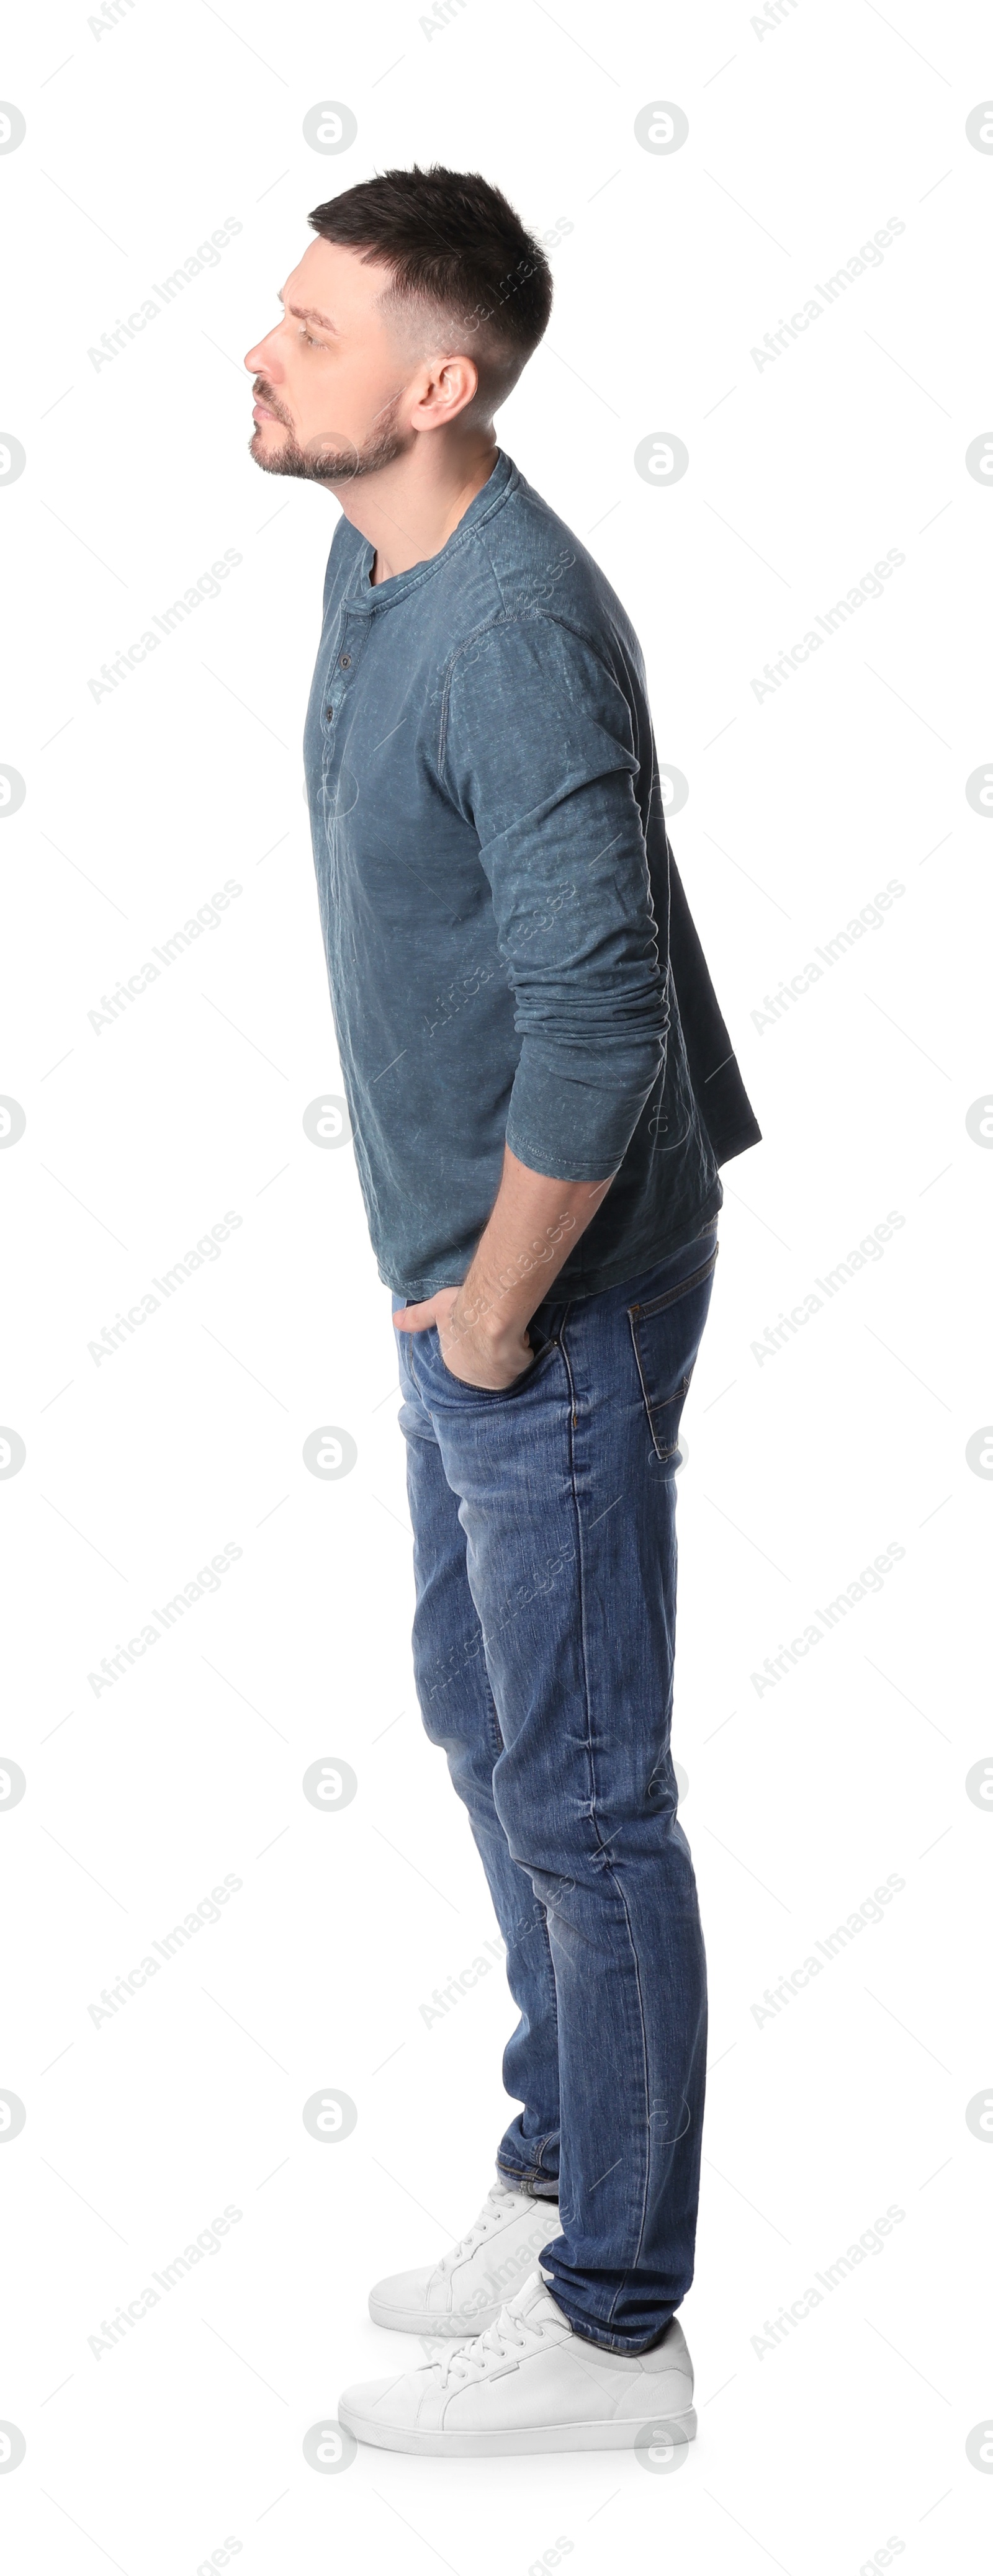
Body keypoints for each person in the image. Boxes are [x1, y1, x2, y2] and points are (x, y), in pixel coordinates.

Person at [245, 162, 760, 2457]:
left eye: (316, 326)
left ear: (436, 385)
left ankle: (614, 2330)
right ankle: (565, 2161)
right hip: (458, 1277)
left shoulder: (515, 623)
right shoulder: (377, 558)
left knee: (583, 1789)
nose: (265, 351)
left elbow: (602, 1017)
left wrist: (488, 1318)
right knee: (484, 1721)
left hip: (544, 1294)